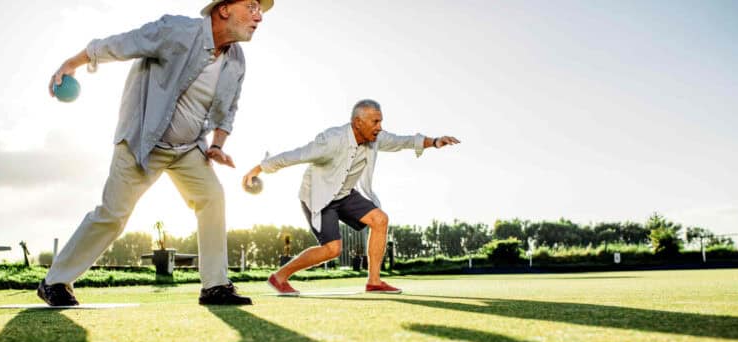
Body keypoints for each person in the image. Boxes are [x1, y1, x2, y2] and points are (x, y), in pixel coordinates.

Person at [38, 0, 274, 307]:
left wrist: (217, 145)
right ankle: (54, 281)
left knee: (212, 197)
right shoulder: (176, 31)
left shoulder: (237, 59)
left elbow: (229, 107)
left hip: (188, 148)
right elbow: (124, 43)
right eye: (252, 7)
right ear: (224, 9)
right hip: (143, 141)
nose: (259, 17)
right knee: (113, 215)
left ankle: (215, 286)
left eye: (261, 11)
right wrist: (74, 62)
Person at [242, 99, 460, 296]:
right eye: (375, 122)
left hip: (345, 194)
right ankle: (279, 276)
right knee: (332, 249)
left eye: (380, 121)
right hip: (320, 194)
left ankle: (374, 281)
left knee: (380, 220)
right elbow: (295, 155)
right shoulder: (330, 140)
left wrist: (434, 141)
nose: (379, 127)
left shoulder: (376, 139)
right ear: (358, 122)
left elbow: (401, 141)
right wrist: (258, 169)